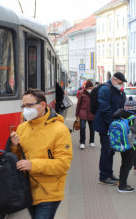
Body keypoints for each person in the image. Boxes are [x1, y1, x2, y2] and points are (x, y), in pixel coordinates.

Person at [10, 88, 73, 219]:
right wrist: (13, 146)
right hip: (27, 189)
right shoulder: (22, 128)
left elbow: (63, 164)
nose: (25, 109)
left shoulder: (60, 130)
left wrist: (32, 164)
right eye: (23, 106)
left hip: (49, 192)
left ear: (43, 105)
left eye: (29, 105)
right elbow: (17, 159)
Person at [93, 72, 127, 185]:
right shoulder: (105, 89)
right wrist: (112, 124)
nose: (121, 85)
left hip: (112, 125)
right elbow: (105, 110)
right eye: (120, 83)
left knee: (111, 151)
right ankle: (103, 176)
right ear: (114, 80)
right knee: (106, 151)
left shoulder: (116, 90)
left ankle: (109, 173)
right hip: (106, 125)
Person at [112, 97, 136, 193]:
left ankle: (121, 183)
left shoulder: (120, 116)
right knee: (127, 165)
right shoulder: (133, 119)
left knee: (124, 164)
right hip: (131, 145)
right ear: (135, 109)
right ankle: (122, 186)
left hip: (122, 144)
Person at [76, 80, 95, 149]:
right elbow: (78, 104)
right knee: (83, 127)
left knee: (92, 128)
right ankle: (82, 142)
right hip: (82, 113)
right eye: (89, 88)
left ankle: (92, 141)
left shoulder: (94, 94)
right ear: (86, 88)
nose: (90, 90)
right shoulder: (81, 93)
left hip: (91, 113)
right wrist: (77, 114)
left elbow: (96, 104)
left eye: (91, 88)